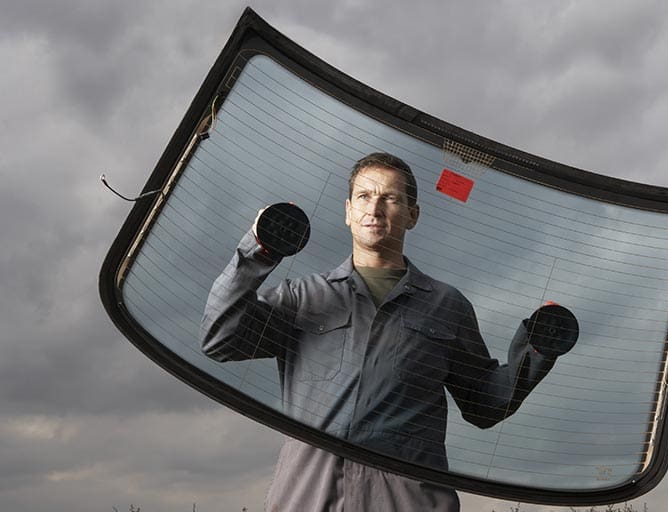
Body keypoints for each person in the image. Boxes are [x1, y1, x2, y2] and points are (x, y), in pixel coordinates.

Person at [200, 152, 560, 511]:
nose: (374, 209)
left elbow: (485, 404)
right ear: (348, 211)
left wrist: (539, 348)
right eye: (364, 196)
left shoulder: (447, 306)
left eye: (390, 198)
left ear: (412, 215)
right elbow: (220, 340)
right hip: (309, 500)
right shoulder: (301, 297)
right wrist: (259, 249)